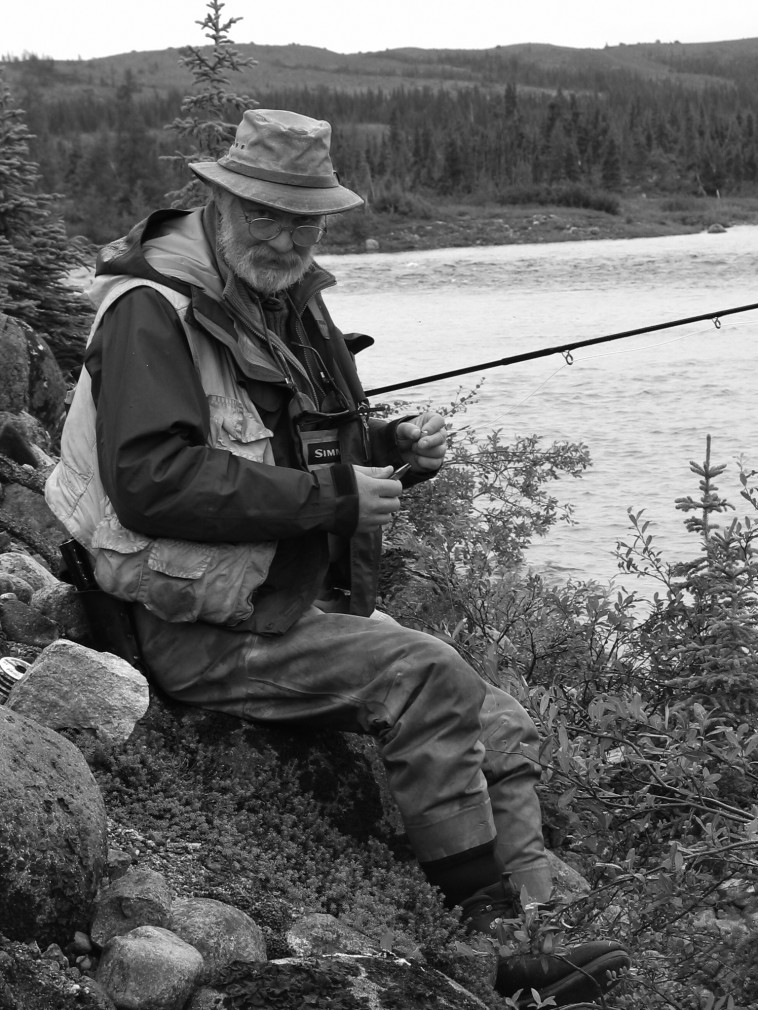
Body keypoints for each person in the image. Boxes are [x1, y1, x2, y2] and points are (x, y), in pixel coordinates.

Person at [46, 109, 630, 1006]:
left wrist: (391, 443)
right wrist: (334, 498)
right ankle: (493, 942)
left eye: (303, 219)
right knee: (425, 674)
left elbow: (313, 438)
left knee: (501, 718)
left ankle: (539, 928)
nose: (284, 237)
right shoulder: (148, 312)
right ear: (218, 200)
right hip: (192, 622)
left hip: (285, 596)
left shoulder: (286, 297)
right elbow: (148, 479)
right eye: (266, 215)